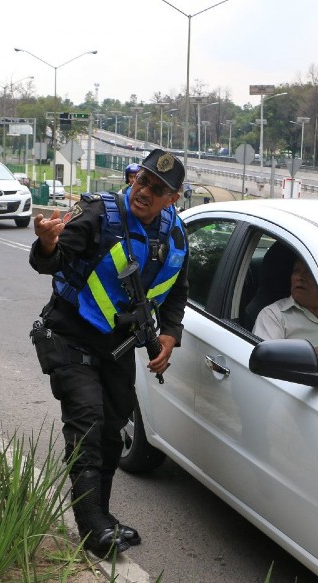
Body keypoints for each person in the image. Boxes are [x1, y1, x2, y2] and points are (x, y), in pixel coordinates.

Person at [30, 148, 189, 558]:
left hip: (117, 348)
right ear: (133, 180)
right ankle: (91, 526)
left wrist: (171, 334)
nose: (146, 192)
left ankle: (101, 516)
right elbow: (52, 261)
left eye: (158, 189)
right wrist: (47, 244)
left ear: (173, 198)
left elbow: (177, 291)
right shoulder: (99, 215)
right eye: (143, 182)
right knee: (87, 424)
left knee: (112, 428)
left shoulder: (174, 234)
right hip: (69, 338)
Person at [252, 257, 318, 356]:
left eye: (308, 271)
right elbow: (267, 362)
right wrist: (314, 355)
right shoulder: (273, 315)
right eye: (296, 271)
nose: (299, 277)